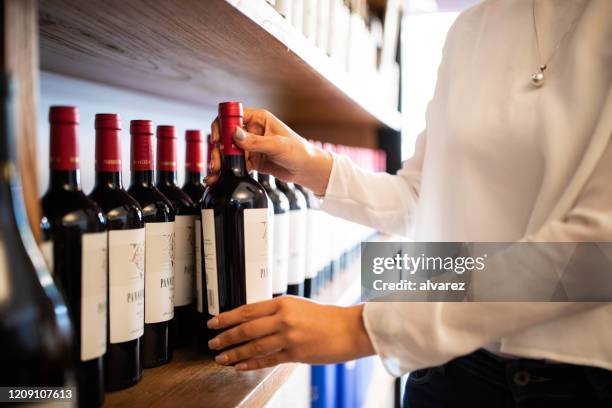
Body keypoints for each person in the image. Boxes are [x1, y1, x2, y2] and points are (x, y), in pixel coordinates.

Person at [205, 0, 612, 406]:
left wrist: (362, 329)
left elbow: (595, 254)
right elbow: (423, 195)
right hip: (449, 368)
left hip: (577, 383)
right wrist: (311, 166)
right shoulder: (470, 28)